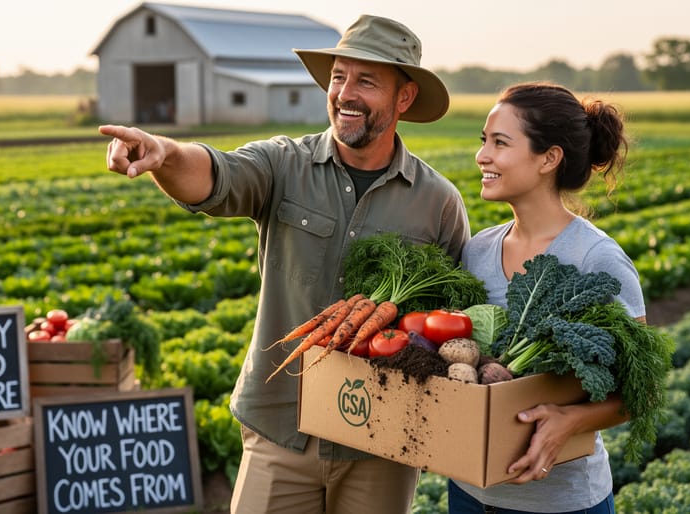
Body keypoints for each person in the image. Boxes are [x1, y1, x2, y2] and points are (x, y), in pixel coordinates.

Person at [99, 15, 470, 514]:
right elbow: (216, 176)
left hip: (381, 439)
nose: (345, 93)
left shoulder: (437, 201)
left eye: (366, 80)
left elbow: (453, 321)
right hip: (280, 426)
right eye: (339, 76)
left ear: (404, 98)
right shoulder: (282, 165)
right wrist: (164, 154)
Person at [452, 81, 644, 513]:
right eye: (484, 142)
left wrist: (570, 421)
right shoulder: (477, 250)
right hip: (469, 490)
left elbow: (640, 392)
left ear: (549, 158)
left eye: (500, 143)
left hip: (560, 501)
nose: (482, 156)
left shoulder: (596, 258)